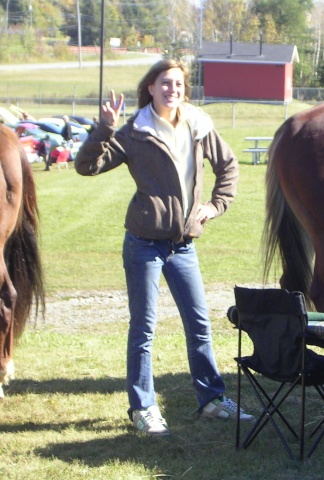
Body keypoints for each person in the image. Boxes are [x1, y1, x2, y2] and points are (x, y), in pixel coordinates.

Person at [74, 59, 252, 436]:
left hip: (183, 245)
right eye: (165, 83)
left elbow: (229, 166)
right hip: (143, 244)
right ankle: (143, 408)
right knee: (144, 329)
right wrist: (105, 127)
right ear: (151, 88)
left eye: (178, 84)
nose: (173, 89)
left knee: (200, 324)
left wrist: (215, 205)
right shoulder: (134, 132)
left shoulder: (198, 125)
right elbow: (87, 166)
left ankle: (212, 400)